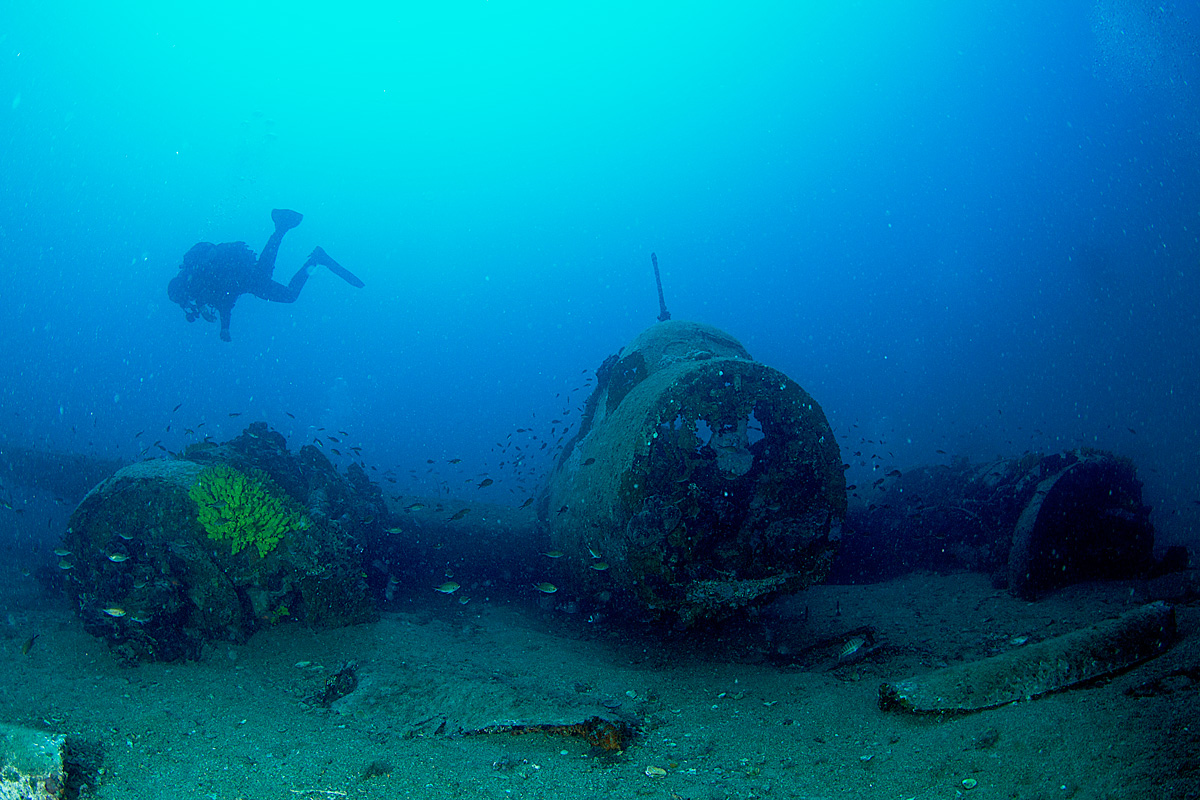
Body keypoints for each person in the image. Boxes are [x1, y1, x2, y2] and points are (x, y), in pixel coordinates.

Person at [168, 209, 364, 342]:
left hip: (244, 277)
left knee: (270, 278)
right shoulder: (200, 288)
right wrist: (224, 327)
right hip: (246, 281)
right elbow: (225, 301)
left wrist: (218, 320)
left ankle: (283, 228)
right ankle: (315, 257)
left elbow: (222, 299)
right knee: (289, 294)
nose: (187, 303)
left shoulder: (198, 283)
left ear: (183, 291)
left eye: (183, 300)